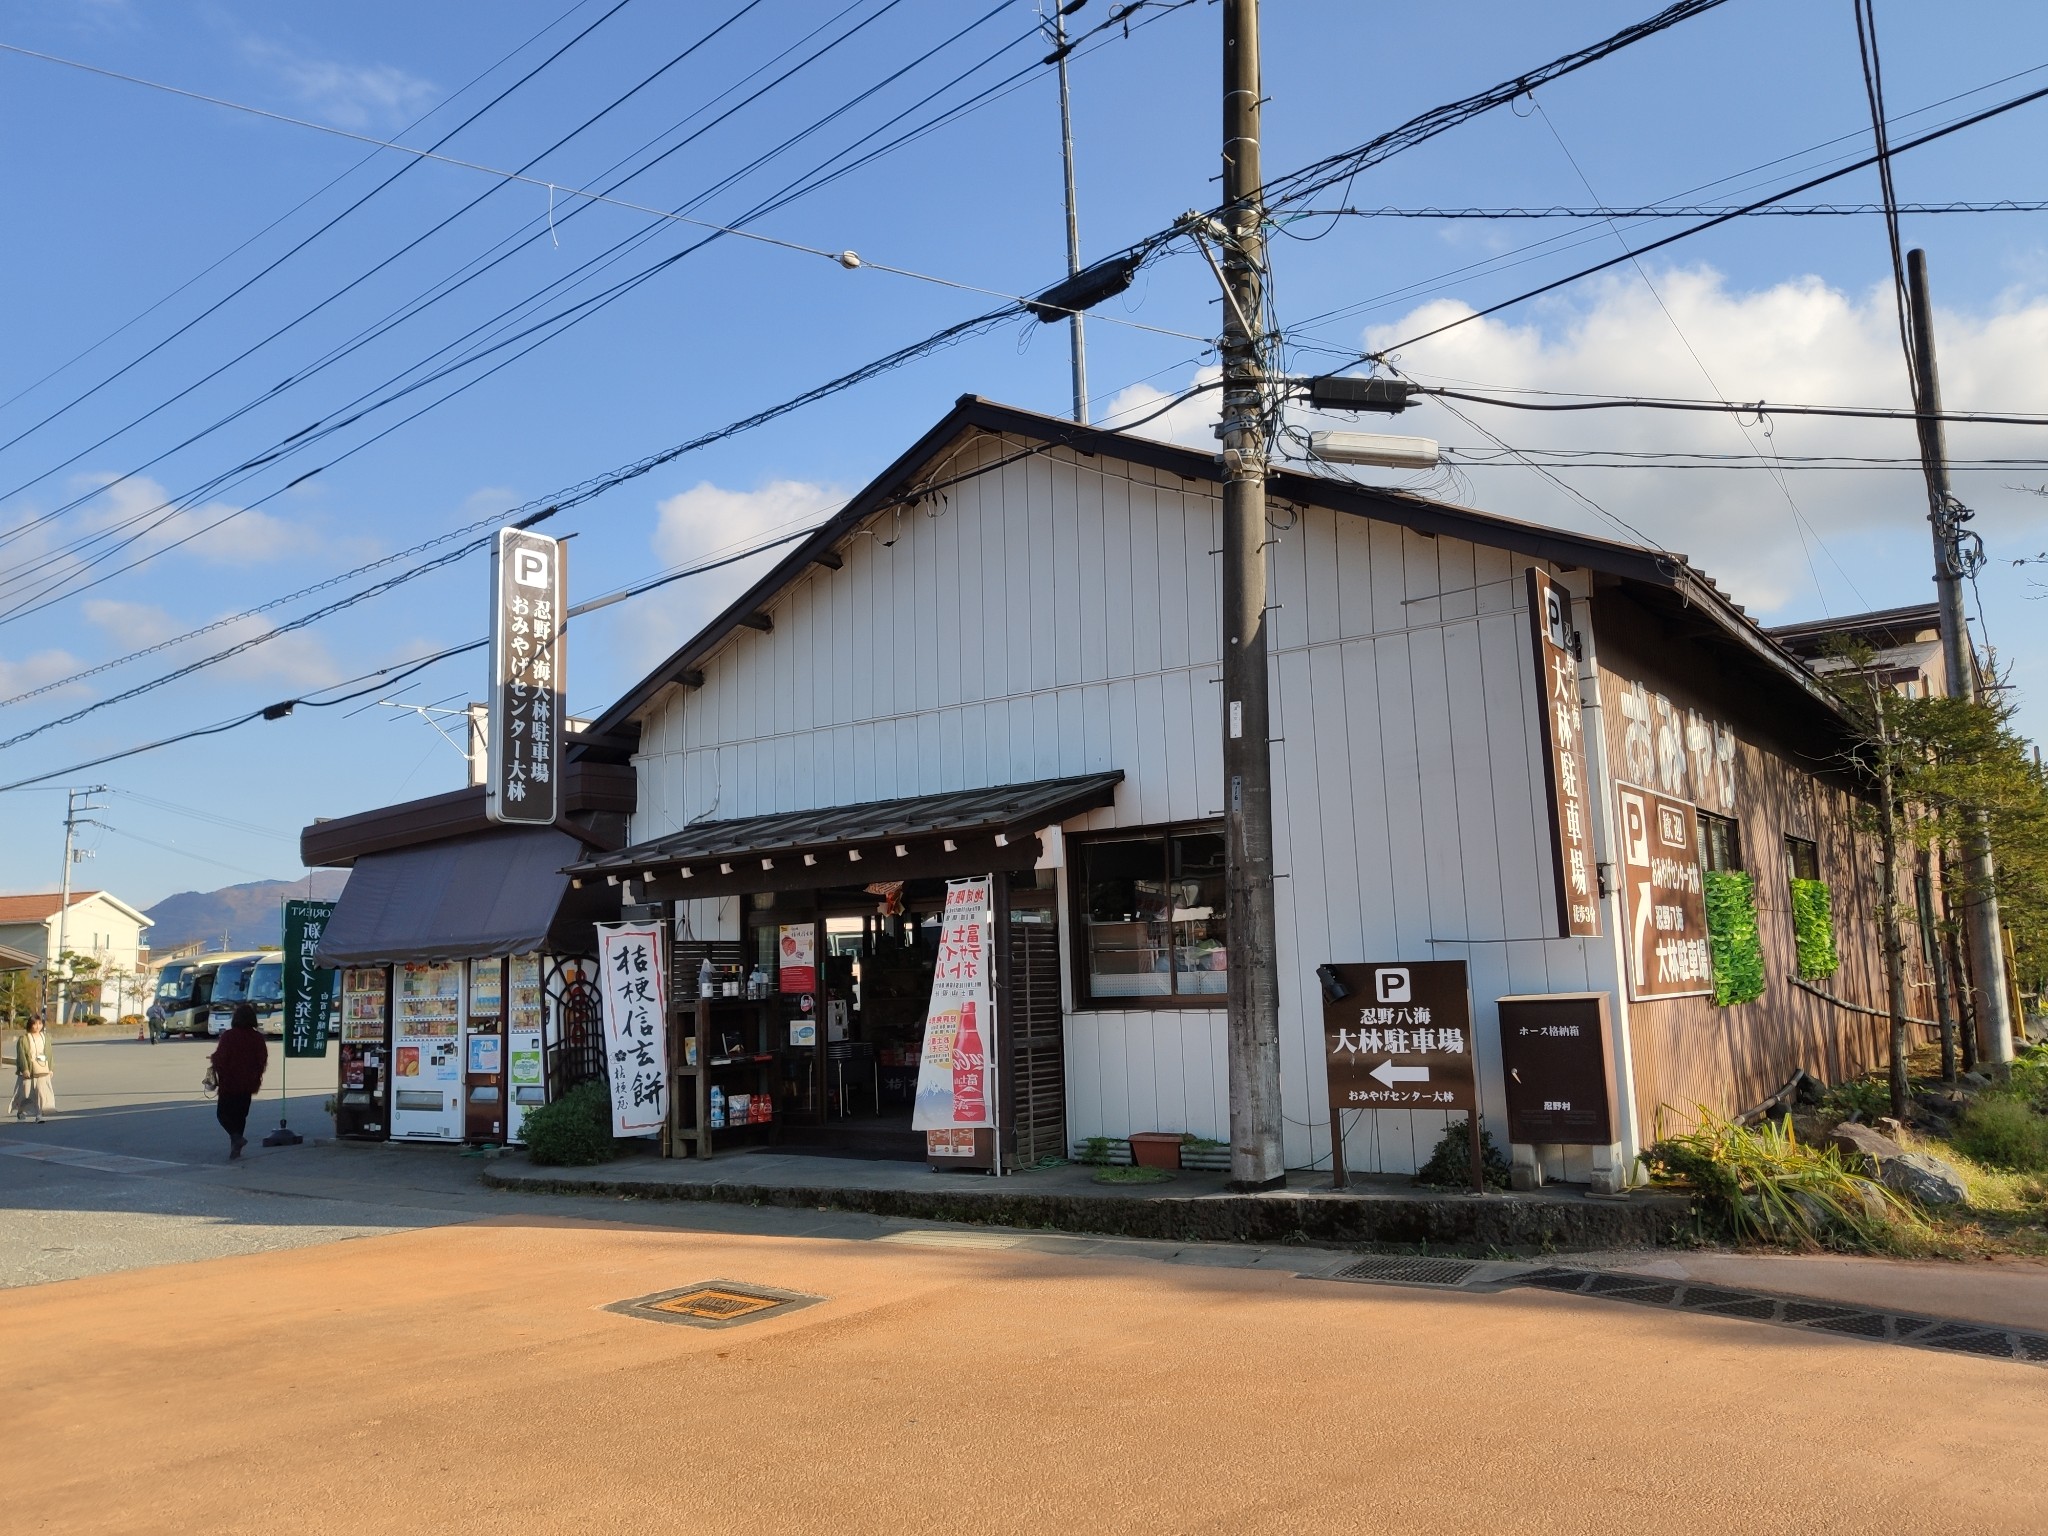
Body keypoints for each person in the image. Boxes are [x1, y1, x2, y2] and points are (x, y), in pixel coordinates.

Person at [208, 1001, 269, 1160]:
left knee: (223, 1114)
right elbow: (262, 1059)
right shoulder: (257, 1037)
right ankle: (236, 1147)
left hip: (230, 1083)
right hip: (248, 1083)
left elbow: (220, 1058)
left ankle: (236, 1139)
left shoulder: (229, 1036)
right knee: (240, 1116)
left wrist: (214, 1060)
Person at [12, 1014, 54, 1122]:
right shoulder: (24, 1039)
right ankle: (20, 1111)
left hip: (42, 1069)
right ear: (30, 1025)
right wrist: (24, 1068)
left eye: (40, 1023)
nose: (38, 1026)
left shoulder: (45, 1037)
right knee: (25, 1094)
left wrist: (50, 1068)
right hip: (29, 1070)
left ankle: (39, 1114)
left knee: (40, 1092)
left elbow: (49, 1054)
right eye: (35, 1024)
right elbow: (21, 1055)